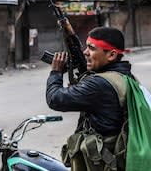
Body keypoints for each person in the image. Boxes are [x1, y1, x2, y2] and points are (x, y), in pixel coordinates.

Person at [46, 26, 134, 171]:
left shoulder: (99, 84)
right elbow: (83, 65)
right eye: (86, 47)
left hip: (102, 163)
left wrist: (55, 72)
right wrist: (70, 32)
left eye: (92, 48)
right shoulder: (123, 76)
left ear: (111, 55)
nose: (85, 52)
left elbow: (55, 99)